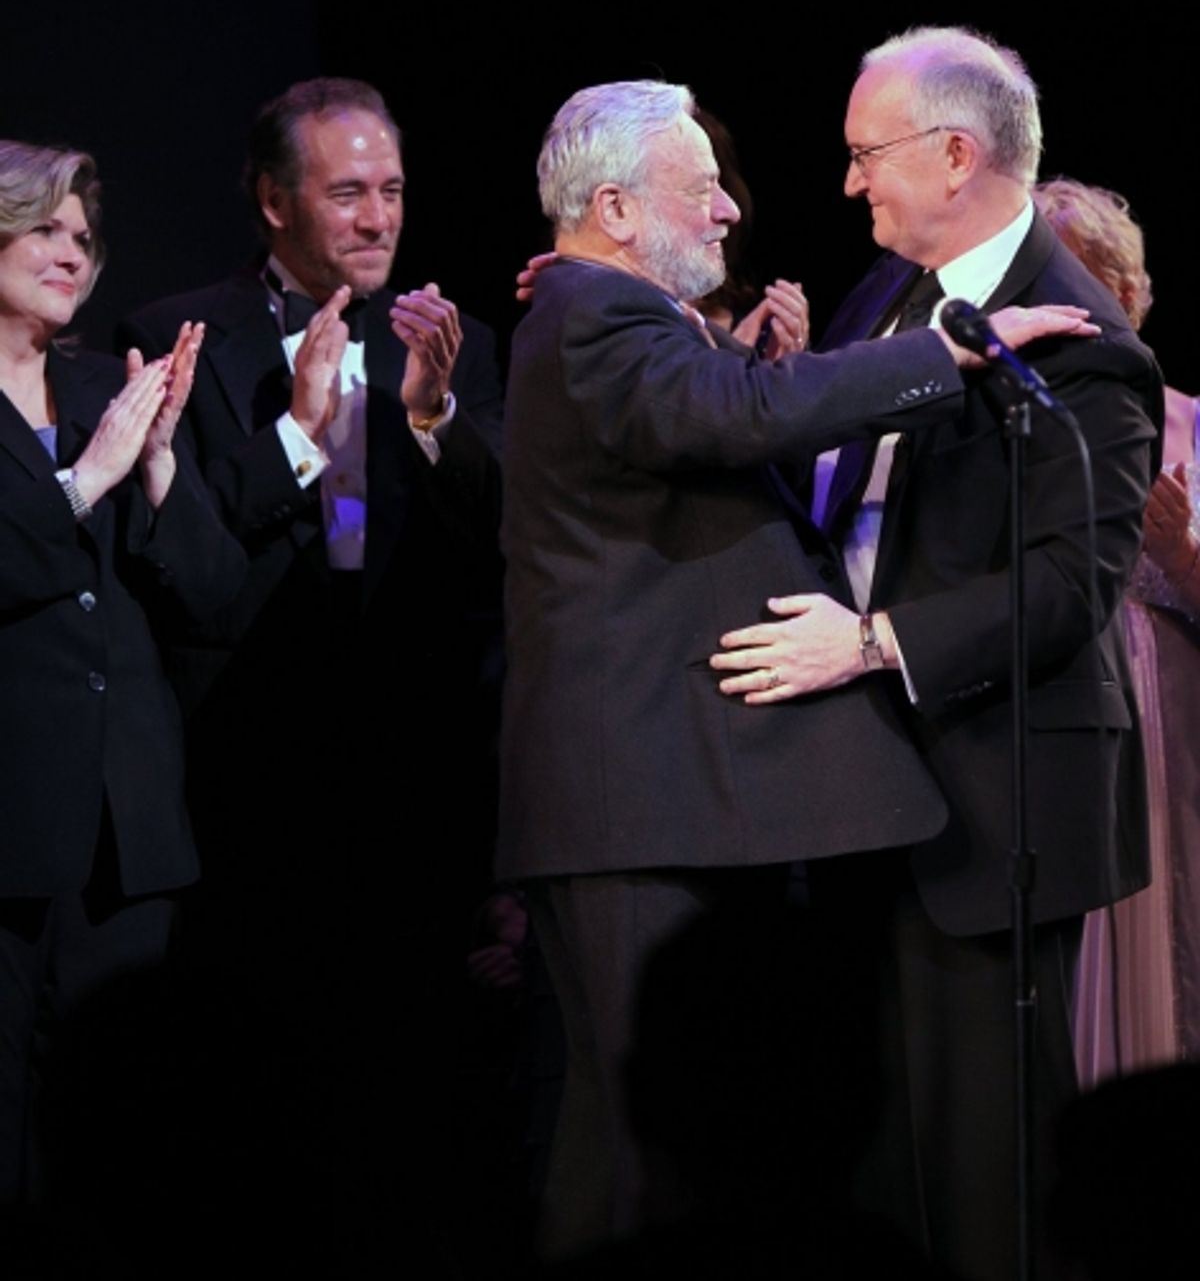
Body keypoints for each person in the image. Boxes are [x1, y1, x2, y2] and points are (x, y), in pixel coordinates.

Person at [499, 77, 1097, 1261]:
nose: (730, 210)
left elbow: (717, 412)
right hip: (641, 798)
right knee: (637, 1146)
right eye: (701, 185)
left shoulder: (623, 320)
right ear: (615, 210)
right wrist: (946, 356)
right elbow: (732, 414)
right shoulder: (591, 314)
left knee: (656, 1138)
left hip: (672, 798)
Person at [712, 28, 1162, 1281]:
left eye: (867, 156)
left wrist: (871, 643)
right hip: (864, 785)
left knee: (983, 1169)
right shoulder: (885, 297)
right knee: (874, 1162)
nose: (849, 182)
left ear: (955, 154)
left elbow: (1071, 586)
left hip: (990, 797)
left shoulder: (1088, 345)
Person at [118, 77, 504, 1248]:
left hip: (412, 768)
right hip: (247, 758)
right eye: (347, 193)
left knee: (413, 1097)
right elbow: (179, 554)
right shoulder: (183, 329)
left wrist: (434, 419)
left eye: (391, 190)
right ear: (273, 201)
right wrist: (293, 423)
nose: (379, 217)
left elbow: (492, 551)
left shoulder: (455, 340)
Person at [0, 139, 244, 1208]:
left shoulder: (114, 386)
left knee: (120, 1133)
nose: (72, 252)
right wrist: (83, 480)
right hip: (10, 822)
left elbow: (213, 594)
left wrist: (153, 474)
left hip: (124, 824)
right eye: (45, 226)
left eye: (85, 238)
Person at [1034, 176, 1200, 1078]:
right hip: (1064, 724)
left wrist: (1180, 554)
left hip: (1177, 739)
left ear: (1127, 295)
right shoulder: (1022, 427)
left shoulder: (1194, 425)